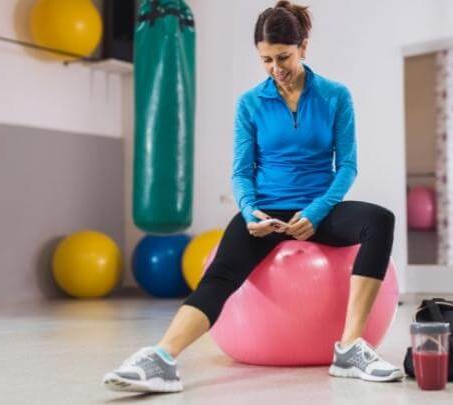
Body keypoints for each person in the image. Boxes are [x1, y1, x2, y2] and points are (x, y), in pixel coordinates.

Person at [103, 1, 403, 393]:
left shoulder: (335, 96)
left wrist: (315, 212)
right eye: (265, 60)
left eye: (283, 57)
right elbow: (242, 172)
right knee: (221, 274)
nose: (275, 68)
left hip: (320, 208)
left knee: (379, 220)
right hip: (266, 209)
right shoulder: (250, 103)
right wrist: (248, 212)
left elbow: (346, 166)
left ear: (304, 48)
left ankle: (348, 350)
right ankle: (160, 357)